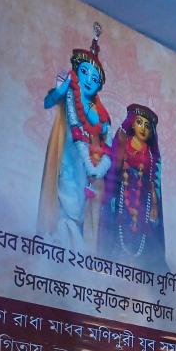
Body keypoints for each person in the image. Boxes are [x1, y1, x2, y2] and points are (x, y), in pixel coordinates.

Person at [37, 23, 113, 251]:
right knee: (62, 201)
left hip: (84, 165)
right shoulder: (67, 94)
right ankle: (58, 243)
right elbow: (47, 102)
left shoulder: (99, 112)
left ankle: (74, 249)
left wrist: (96, 169)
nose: (89, 79)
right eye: (84, 72)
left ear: (99, 85)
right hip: (64, 157)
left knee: (79, 206)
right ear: (75, 72)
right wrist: (63, 90)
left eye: (94, 77)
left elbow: (104, 135)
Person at [99, 104, 168, 269]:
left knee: (144, 243)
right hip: (120, 201)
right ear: (131, 123)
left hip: (142, 204)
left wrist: (155, 205)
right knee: (116, 237)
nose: (143, 128)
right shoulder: (122, 142)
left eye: (147, 126)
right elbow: (112, 167)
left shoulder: (152, 156)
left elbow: (154, 185)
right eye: (139, 122)